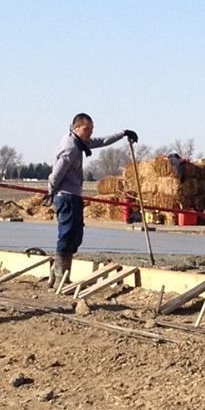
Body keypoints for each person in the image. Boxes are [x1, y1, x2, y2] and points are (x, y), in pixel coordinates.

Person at [48, 114, 138, 289]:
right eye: (86, 129)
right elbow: (56, 174)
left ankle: (57, 272)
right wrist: (51, 192)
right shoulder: (71, 148)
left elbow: (101, 141)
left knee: (76, 236)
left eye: (91, 129)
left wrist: (123, 134)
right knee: (67, 235)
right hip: (66, 196)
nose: (90, 133)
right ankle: (60, 277)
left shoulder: (80, 142)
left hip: (74, 195)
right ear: (76, 128)